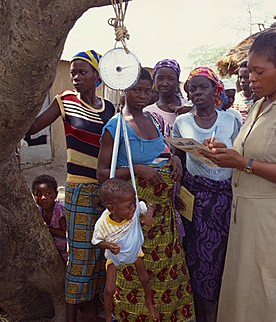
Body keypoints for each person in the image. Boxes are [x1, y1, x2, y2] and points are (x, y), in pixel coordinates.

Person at [201, 31, 276, 322]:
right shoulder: (259, 106)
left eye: (258, 71)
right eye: (249, 70)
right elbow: (251, 156)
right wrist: (223, 153)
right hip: (249, 219)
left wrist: (244, 163)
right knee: (247, 301)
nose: (250, 78)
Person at [96, 68, 195, 321]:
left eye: (146, 90)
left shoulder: (152, 120)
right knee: (139, 274)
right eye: (136, 90)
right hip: (136, 215)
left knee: (167, 271)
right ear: (124, 91)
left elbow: (161, 153)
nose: (142, 95)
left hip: (163, 217)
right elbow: (101, 173)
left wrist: (174, 160)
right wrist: (137, 170)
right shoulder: (115, 126)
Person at [26, 50, 115, 322]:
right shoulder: (64, 101)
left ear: (97, 76)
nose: (75, 77)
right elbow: (32, 128)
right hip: (78, 191)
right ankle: (71, 316)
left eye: (82, 72)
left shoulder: (109, 109)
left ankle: (92, 311)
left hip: (105, 191)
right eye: (73, 72)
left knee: (101, 253)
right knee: (79, 256)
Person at [172, 67, 240, 322]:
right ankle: (204, 313)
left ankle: (224, 311)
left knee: (225, 256)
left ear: (215, 91)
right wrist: (176, 163)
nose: (197, 92)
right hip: (197, 200)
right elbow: (177, 155)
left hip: (226, 198)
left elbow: (239, 154)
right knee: (200, 259)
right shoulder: (182, 122)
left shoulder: (230, 120)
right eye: (192, 89)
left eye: (203, 87)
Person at [92, 178, 158, 322]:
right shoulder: (103, 224)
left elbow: (150, 205)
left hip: (134, 249)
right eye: (129, 206)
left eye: (133, 204)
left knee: (145, 279)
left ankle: (149, 302)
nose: (133, 209)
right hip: (114, 256)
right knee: (109, 289)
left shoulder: (134, 210)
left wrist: (149, 214)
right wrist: (108, 245)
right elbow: (96, 242)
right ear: (112, 209)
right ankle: (108, 316)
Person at [144, 59, 186, 135]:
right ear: (154, 81)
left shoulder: (188, 107)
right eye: (160, 78)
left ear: (177, 81)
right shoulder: (147, 112)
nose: (165, 83)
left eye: (171, 79)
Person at [32, 174, 67, 262]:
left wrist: (47, 229)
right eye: (39, 194)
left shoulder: (59, 211)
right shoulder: (39, 211)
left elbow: (64, 233)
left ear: (56, 194)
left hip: (63, 250)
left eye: (48, 193)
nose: (43, 198)